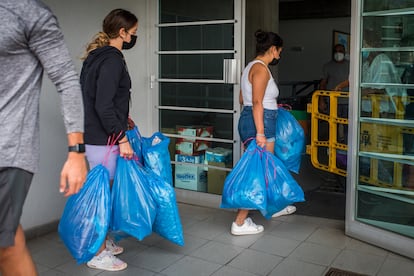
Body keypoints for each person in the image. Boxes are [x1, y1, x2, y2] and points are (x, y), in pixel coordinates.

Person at [0, 0, 88, 275]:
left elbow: (67, 79)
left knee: (5, 245)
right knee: (9, 238)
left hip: (8, 149)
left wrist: (76, 152)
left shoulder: (29, 13)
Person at [80, 8, 138, 271]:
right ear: (122, 32)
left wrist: (124, 118)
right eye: (133, 33)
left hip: (96, 135)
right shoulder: (113, 59)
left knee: (103, 192)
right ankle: (98, 252)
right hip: (105, 139)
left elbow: (102, 100)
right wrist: (121, 138)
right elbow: (103, 105)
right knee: (102, 197)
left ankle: (104, 241)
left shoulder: (95, 56)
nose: (134, 37)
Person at [232, 30, 296, 236]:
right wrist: (260, 132)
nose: (279, 55)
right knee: (257, 171)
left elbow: (243, 99)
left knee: (266, 168)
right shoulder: (260, 70)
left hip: (254, 118)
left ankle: (274, 206)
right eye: (279, 51)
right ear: (272, 49)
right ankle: (240, 222)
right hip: (260, 122)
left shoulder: (250, 67)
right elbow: (257, 102)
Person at [319, 44, 350, 142]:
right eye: (336, 51)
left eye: (341, 51)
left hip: (347, 101)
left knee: (348, 126)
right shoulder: (328, 66)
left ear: (344, 52)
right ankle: (332, 147)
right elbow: (323, 84)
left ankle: (346, 148)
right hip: (333, 101)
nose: (338, 53)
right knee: (332, 125)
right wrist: (321, 100)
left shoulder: (351, 65)